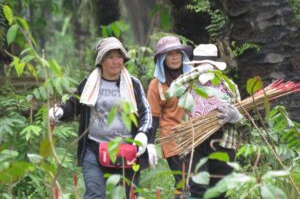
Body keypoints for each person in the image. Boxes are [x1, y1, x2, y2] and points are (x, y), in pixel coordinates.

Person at [48, 37, 154, 199]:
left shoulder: (133, 84)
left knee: (128, 195)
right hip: (94, 150)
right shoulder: (89, 83)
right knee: (95, 194)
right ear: (101, 60)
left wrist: (143, 134)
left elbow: (146, 112)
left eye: (119, 56)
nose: (115, 61)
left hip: (127, 151)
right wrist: (59, 111)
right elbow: (73, 105)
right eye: (110, 57)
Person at [168, 44, 245, 199]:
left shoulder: (229, 86)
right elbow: (172, 89)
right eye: (199, 66)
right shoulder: (189, 84)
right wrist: (198, 72)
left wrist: (236, 117)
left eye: (208, 67)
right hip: (195, 141)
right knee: (197, 188)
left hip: (223, 142)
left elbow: (243, 120)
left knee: (219, 190)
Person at [147, 35, 193, 198]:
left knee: (197, 180)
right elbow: (153, 116)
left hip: (197, 133)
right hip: (172, 137)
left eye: (177, 53)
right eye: (170, 54)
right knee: (183, 180)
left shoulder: (192, 78)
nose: (174, 57)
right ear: (162, 59)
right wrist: (150, 143)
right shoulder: (157, 85)